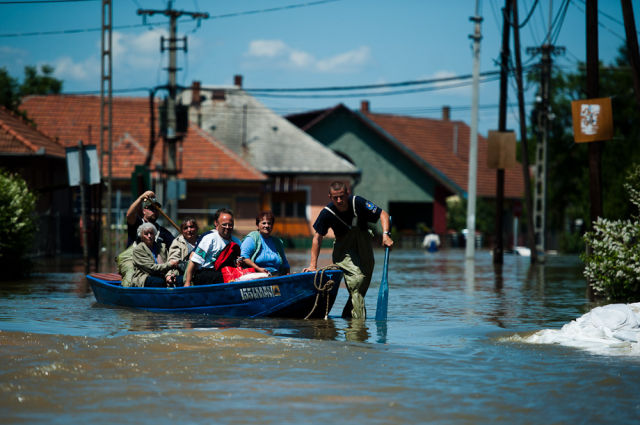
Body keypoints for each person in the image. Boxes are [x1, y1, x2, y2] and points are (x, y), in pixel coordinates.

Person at [303, 181, 393, 319]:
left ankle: (348, 316)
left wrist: (386, 234)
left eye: (342, 196)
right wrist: (313, 265)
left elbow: (383, 214)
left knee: (365, 279)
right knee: (357, 280)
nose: (339, 200)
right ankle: (357, 327)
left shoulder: (358, 202)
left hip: (363, 243)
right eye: (335, 198)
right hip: (343, 251)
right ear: (330, 197)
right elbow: (317, 238)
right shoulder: (327, 213)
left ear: (347, 193)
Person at [184, 208, 241, 286]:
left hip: (228, 274)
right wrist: (187, 282)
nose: (227, 227)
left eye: (230, 225)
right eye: (224, 224)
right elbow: (194, 261)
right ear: (216, 224)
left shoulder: (237, 242)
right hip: (207, 275)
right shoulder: (209, 239)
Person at [238, 211, 290, 276]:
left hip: (276, 275)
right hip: (256, 275)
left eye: (269, 223)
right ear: (257, 225)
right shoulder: (252, 238)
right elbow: (244, 257)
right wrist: (259, 268)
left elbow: (285, 263)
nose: (267, 226)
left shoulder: (277, 242)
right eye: (264, 223)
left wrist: (288, 274)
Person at [131, 222, 179, 287]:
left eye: (151, 233)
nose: (149, 236)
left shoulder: (162, 247)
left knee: (179, 279)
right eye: (146, 234)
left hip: (163, 274)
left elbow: (169, 262)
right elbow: (151, 269)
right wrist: (170, 264)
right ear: (141, 237)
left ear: (155, 235)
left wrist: (170, 275)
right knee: (159, 282)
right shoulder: (138, 250)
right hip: (146, 276)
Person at [165, 216, 199, 286]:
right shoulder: (177, 242)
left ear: (196, 228)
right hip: (182, 274)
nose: (189, 230)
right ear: (182, 231)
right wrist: (169, 275)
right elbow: (173, 261)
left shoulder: (203, 241)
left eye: (191, 227)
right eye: (185, 228)